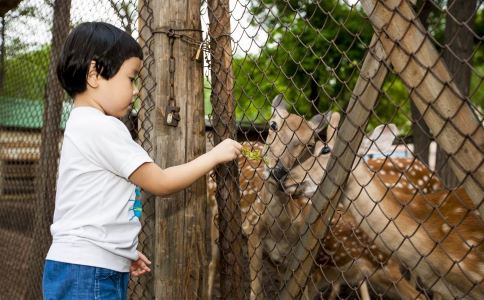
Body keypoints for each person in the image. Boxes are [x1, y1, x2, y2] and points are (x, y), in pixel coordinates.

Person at [42, 21, 242, 299]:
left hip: (81, 265)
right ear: (94, 74)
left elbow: (89, 206)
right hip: (89, 272)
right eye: (131, 78)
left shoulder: (80, 124)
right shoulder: (104, 128)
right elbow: (160, 182)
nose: (136, 90)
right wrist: (213, 155)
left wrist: (119, 250)